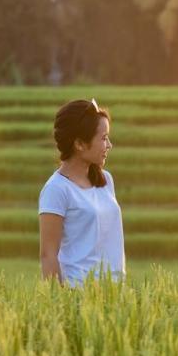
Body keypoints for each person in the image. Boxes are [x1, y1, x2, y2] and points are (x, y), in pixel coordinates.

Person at [37, 99, 125, 284]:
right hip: (78, 295)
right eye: (103, 138)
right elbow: (48, 255)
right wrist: (59, 303)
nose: (109, 145)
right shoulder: (56, 190)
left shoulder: (106, 180)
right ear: (79, 144)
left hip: (115, 294)